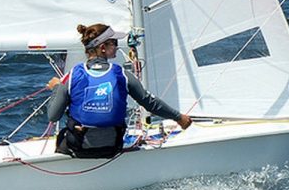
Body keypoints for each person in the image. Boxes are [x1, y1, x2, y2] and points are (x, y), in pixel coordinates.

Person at [46, 23, 192, 158]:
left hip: (78, 149)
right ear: (103, 48)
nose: (117, 47)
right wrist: (179, 118)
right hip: (112, 147)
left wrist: (57, 87)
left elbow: (53, 116)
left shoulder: (72, 76)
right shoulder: (122, 74)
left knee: (63, 135)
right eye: (114, 43)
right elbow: (149, 102)